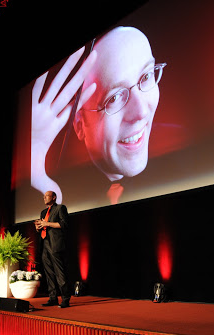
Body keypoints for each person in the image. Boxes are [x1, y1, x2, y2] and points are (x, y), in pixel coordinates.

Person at [31, 26, 165, 205]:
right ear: (79, 124)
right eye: (114, 97)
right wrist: (35, 172)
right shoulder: (66, 191)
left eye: (146, 76)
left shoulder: (186, 155)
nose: (141, 112)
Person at [34, 191, 71, 308]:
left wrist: (47, 223)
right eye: (44, 196)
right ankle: (53, 298)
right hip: (45, 243)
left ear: (54, 197)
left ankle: (65, 298)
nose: (44, 198)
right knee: (49, 273)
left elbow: (63, 224)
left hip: (55, 244)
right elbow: (43, 227)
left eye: (47, 196)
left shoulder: (60, 208)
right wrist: (38, 227)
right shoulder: (43, 212)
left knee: (60, 272)